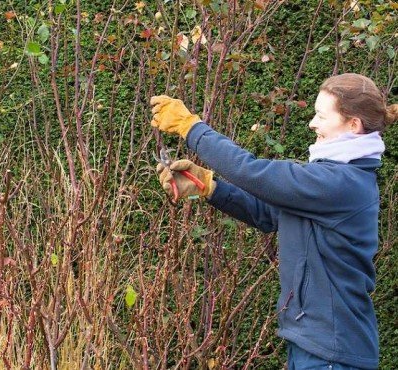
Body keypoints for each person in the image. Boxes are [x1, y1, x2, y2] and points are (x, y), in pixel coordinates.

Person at [150, 73, 398, 369]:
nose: (312, 124)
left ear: (353, 125)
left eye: (321, 116)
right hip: (315, 344)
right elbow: (268, 215)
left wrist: (191, 128)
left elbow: (252, 172)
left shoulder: (342, 182)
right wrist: (210, 187)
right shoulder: (333, 178)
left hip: (332, 351)